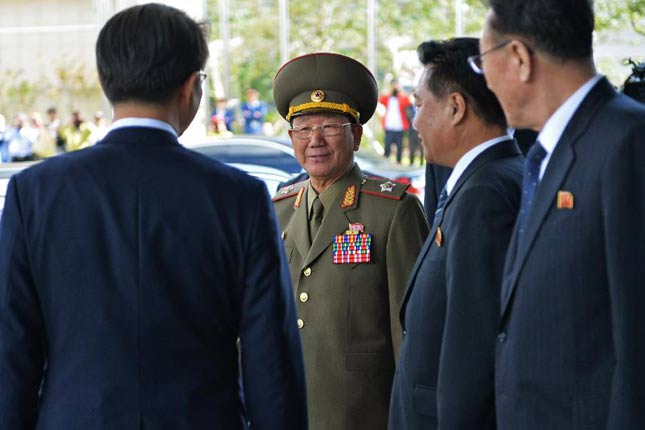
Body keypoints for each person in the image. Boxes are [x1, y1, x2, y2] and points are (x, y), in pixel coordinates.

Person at [0, 4, 307, 430]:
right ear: (188, 87)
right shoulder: (240, 197)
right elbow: (270, 359)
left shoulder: (33, 193)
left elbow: (12, 353)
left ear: (107, 82)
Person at [478, 1, 645, 429]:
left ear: (518, 57)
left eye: (483, 62)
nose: (487, 81)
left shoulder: (627, 141)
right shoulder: (549, 151)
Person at [271, 52, 428, 430]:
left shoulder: (393, 210)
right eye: (304, 128)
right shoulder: (277, 212)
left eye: (330, 125)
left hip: (363, 416)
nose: (315, 140)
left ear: (356, 135)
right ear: (292, 139)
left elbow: (412, 332)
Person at [388, 37, 523, 430]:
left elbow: (474, 349)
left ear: (456, 107)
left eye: (419, 104)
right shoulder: (486, 179)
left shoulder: (485, 194)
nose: (414, 122)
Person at [379, 79, 412, 164]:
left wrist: (400, 89)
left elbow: (408, 101)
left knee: (399, 147)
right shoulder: (388, 98)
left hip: (399, 127)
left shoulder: (402, 98)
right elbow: (380, 99)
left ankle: (398, 163)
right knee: (387, 146)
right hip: (389, 127)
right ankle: (385, 163)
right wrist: (389, 88)